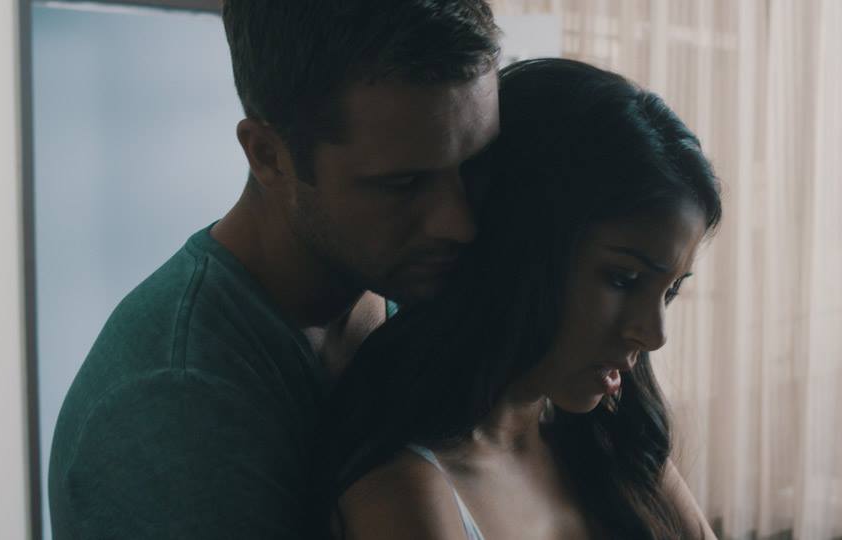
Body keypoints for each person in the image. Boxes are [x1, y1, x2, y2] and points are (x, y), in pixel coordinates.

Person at [47, 1, 500, 538]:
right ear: (267, 155)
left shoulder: (410, 286)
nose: (460, 223)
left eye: (475, 165)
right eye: (403, 185)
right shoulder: (178, 404)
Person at [318, 58, 723, 540]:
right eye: (624, 279)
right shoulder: (408, 492)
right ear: (518, 247)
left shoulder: (616, 442)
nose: (653, 335)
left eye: (670, 290)